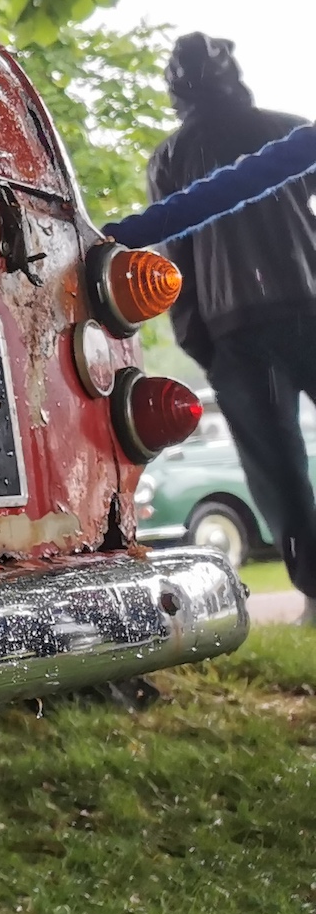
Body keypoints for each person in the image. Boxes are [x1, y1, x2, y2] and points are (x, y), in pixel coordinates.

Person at [148, 33, 316, 604]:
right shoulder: (287, 130)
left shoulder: (171, 158)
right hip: (306, 307)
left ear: (177, 86)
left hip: (235, 331)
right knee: (281, 473)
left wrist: (201, 343)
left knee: (279, 476)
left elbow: (178, 258)